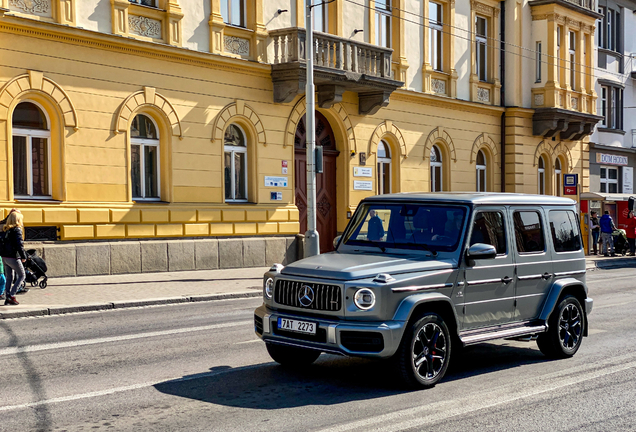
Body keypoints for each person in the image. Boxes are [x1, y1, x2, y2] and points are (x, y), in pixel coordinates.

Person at [1, 210, 27, 306]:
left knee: (9, 277)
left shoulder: (5, 229)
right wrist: (23, 256)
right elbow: (19, 245)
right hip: (13, 257)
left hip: (4, 256)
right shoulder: (17, 230)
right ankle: (11, 295)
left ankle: (7, 295)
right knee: (22, 275)